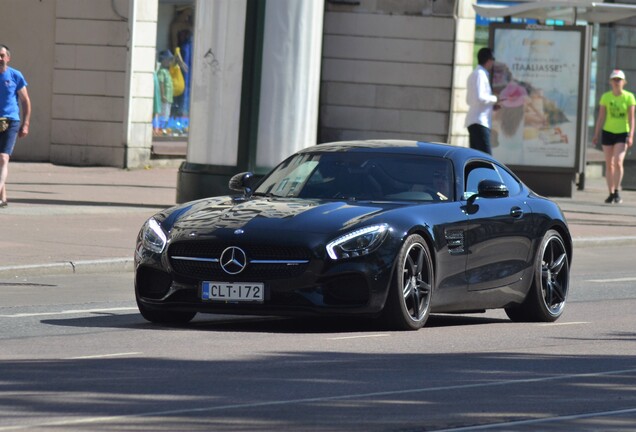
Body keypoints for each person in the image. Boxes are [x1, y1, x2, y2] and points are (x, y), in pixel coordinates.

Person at [592, 69, 636, 204]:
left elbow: (632, 118)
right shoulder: (606, 97)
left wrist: (631, 135)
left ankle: (617, 190)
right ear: (611, 82)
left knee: (618, 161)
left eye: (619, 80)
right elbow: (601, 117)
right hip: (608, 132)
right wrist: (596, 134)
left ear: (624, 82)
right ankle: (610, 192)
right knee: (609, 164)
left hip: (622, 133)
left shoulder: (629, 97)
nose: (617, 82)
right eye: (614, 80)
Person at [0, 44, 31, 208]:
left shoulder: (15, 76)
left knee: (3, 157)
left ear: (8, 58)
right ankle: (2, 197)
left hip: (11, 120)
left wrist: (25, 124)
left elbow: (25, 101)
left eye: (2, 55)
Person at [465, 47, 499, 154]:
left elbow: (470, 100)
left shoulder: (476, 73)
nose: (493, 62)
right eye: (493, 59)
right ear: (489, 60)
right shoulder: (480, 74)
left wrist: (492, 105)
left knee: (476, 157)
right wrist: (495, 99)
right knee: (486, 158)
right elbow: (481, 97)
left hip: (476, 121)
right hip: (479, 121)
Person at [156, 50, 174, 132]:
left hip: (169, 98)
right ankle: (161, 129)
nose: (170, 62)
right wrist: (162, 95)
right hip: (164, 98)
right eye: (168, 60)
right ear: (163, 60)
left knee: (167, 113)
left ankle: (164, 128)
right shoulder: (162, 71)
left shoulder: (167, 71)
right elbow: (161, 83)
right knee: (163, 114)